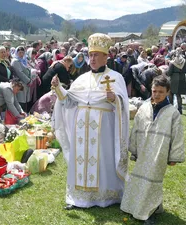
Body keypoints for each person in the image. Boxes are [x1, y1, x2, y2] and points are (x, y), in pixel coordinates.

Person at [52, 33, 129, 209]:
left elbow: (123, 104)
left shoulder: (116, 77)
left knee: (102, 159)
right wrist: (58, 89)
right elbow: (69, 100)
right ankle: (79, 198)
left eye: (96, 55)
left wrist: (114, 99)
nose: (92, 59)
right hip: (81, 129)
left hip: (104, 128)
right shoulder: (82, 78)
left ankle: (105, 196)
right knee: (81, 159)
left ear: (105, 57)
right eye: (91, 55)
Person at [120, 75, 185, 225]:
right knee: (139, 177)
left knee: (153, 181)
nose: (156, 94)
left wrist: (173, 156)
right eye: (154, 91)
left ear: (168, 92)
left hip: (159, 152)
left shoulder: (172, 113)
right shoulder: (143, 107)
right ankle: (134, 205)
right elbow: (136, 129)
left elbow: (177, 136)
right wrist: (134, 149)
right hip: (143, 149)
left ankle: (149, 212)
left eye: (161, 92)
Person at [167, 49, 186, 114]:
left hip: (174, 79)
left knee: (171, 94)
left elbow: (169, 72)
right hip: (182, 78)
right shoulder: (184, 61)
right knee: (179, 95)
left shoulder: (172, 62)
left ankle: (171, 108)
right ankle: (180, 109)